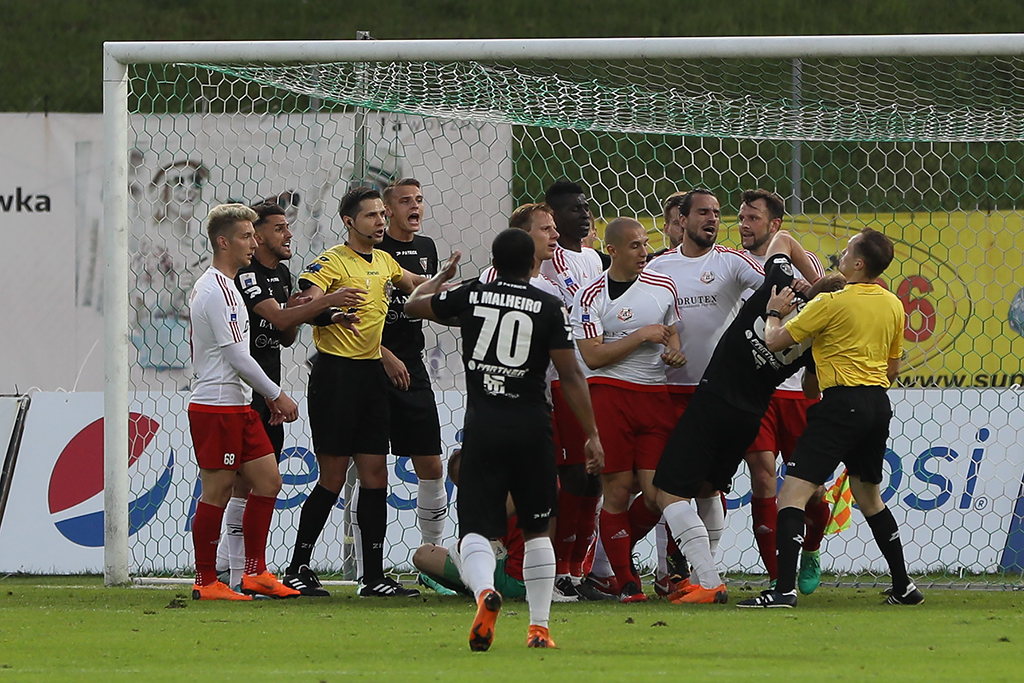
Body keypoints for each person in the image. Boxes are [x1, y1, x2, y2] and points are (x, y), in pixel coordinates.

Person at [405, 228, 604, 651]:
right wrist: (591, 433)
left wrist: (441, 278)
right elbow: (571, 374)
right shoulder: (549, 306)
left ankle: (483, 594)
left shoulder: (473, 295)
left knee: (476, 531)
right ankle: (539, 628)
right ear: (532, 263)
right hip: (533, 426)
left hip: (484, 427)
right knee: (537, 531)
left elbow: (412, 305)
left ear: (493, 263)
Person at [652, 229, 839, 605]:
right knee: (707, 490)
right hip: (749, 416)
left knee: (667, 494)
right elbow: (810, 391)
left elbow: (783, 238)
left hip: (713, 402)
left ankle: (708, 581)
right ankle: (700, 577)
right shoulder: (818, 337)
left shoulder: (779, 285)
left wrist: (807, 282)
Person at [738, 228, 923, 608]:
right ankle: (904, 586)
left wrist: (774, 313)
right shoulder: (893, 305)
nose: (842, 254)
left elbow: (774, 341)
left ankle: (783, 591)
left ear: (859, 263)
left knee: (791, 495)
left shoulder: (832, 303)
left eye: (849, 249)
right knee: (869, 497)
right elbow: (892, 370)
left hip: (841, 404)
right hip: (878, 405)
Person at [280, 186, 437, 598]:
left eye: (382, 214)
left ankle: (373, 577)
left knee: (375, 474)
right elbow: (304, 305)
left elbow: (417, 285)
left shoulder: (384, 261)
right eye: (371, 215)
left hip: (371, 376)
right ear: (349, 222)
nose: (381, 221)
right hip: (336, 376)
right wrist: (332, 307)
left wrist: (447, 280)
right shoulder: (331, 261)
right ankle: (297, 567)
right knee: (333, 476)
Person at [214, 201, 365, 593]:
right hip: (245, 389)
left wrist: (318, 314)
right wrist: (326, 301)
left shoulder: (282, 274)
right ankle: (232, 572)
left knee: (256, 484)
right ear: (259, 235)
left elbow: (284, 333)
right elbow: (279, 317)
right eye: (279, 228)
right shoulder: (246, 274)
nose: (289, 234)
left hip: (269, 387)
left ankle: (236, 570)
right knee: (241, 484)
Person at [640, 188, 766, 596]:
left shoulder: (732, 261)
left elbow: (772, 287)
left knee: (709, 487)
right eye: (703, 212)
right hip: (667, 391)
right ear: (682, 219)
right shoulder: (659, 267)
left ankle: (701, 574)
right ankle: (669, 573)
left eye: (716, 212)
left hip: (715, 394)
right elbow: (644, 316)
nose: (712, 218)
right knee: (664, 488)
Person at [186, 203, 301, 601]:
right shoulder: (215, 290)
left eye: (254, 235)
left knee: (269, 481)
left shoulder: (229, 286)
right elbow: (237, 356)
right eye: (246, 236)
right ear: (223, 242)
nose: (254, 243)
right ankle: (206, 580)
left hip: (239, 404)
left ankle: (255, 573)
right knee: (217, 493)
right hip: (216, 406)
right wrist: (275, 393)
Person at [571, 218, 685, 602]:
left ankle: (608, 554)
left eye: (646, 244)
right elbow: (593, 356)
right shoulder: (589, 296)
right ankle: (625, 582)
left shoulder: (663, 287)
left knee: (656, 496)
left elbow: (672, 333)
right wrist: (640, 336)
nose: (644, 252)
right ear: (612, 250)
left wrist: (674, 352)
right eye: (635, 245)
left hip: (654, 396)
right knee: (617, 492)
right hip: (609, 395)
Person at [736, 189, 831, 594]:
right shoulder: (734, 264)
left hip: (798, 393)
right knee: (762, 476)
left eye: (753, 218)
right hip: (755, 392)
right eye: (741, 217)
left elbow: (827, 300)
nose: (744, 225)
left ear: (774, 225)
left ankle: (810, 549)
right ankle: (778, 575)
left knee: (812, 491)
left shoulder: (802, 264)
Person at [538, 181, 606, 601]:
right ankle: (562, 569)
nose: (584, 214)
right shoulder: (550, 262)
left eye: (585, 208)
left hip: (598, 377)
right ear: (554, 218)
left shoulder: (594, 259)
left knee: (595, 478)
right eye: (573, 209)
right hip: (561, 380)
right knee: (574, 476)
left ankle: (580, 571)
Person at [375, 178, 448, 548]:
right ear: (387, 210)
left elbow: (423, 304)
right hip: (371, 364)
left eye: (418, 199)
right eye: (405, 200)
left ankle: (431, 555)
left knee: (432, 465)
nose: (414, 206)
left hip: (412, 366)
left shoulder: (426, 248)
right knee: (370, 470)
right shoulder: (372, 249)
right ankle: (366, 566)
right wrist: (383, 354)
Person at [413, 449, 526, 600]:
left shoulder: (491, 502)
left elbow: (469, 547)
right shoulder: (524, 479)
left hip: (516, 582)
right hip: (546, 575)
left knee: (424, 555)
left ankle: (469, 587)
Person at [645, 191, 688, 262]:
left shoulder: (707, 262)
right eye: (677, 223)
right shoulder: (651, 263)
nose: (683, 228)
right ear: (666, 229)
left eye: (688, 222)